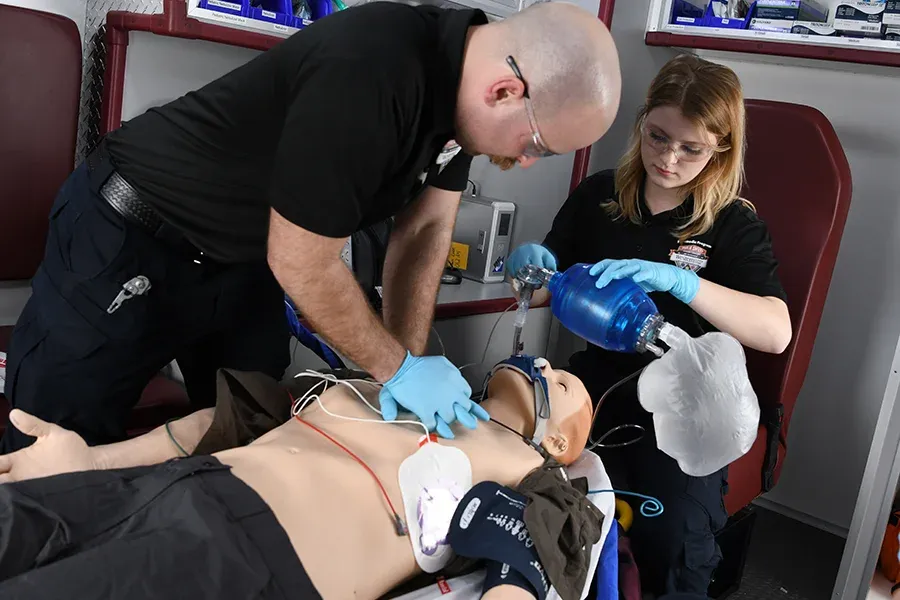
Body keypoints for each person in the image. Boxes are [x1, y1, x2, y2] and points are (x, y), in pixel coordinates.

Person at [1, 1, 622, 452]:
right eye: (537, 142)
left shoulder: (461, 82)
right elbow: (300, 259)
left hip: (241, 260)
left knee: (247, 430)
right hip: (134, 236)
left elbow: (428, 231)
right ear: (504, 90)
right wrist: (396, 370)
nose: (528, 160)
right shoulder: (373, 71)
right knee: (48, 450)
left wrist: (402, 364)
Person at [504, 55, 792, 597]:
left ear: (722, 149)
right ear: (642, 122)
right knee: (532, 499)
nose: (668, 158)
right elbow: (544, 285)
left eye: (691, 148)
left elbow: (775, 331)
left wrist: (683, 284)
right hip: (595, 384)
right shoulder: (600, 197)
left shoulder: (733, 224)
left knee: (672, 540)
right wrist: (529, 267)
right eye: (658, 137)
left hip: (687, 404)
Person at [0, 357, 596, 599]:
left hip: (242, 553)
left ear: (560, 442)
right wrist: (94, 461)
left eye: (562, 380)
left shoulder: (533, 474)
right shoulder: (399, 381)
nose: (543, 363)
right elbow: (226, 420)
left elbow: (533, 567)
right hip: (172, 483)